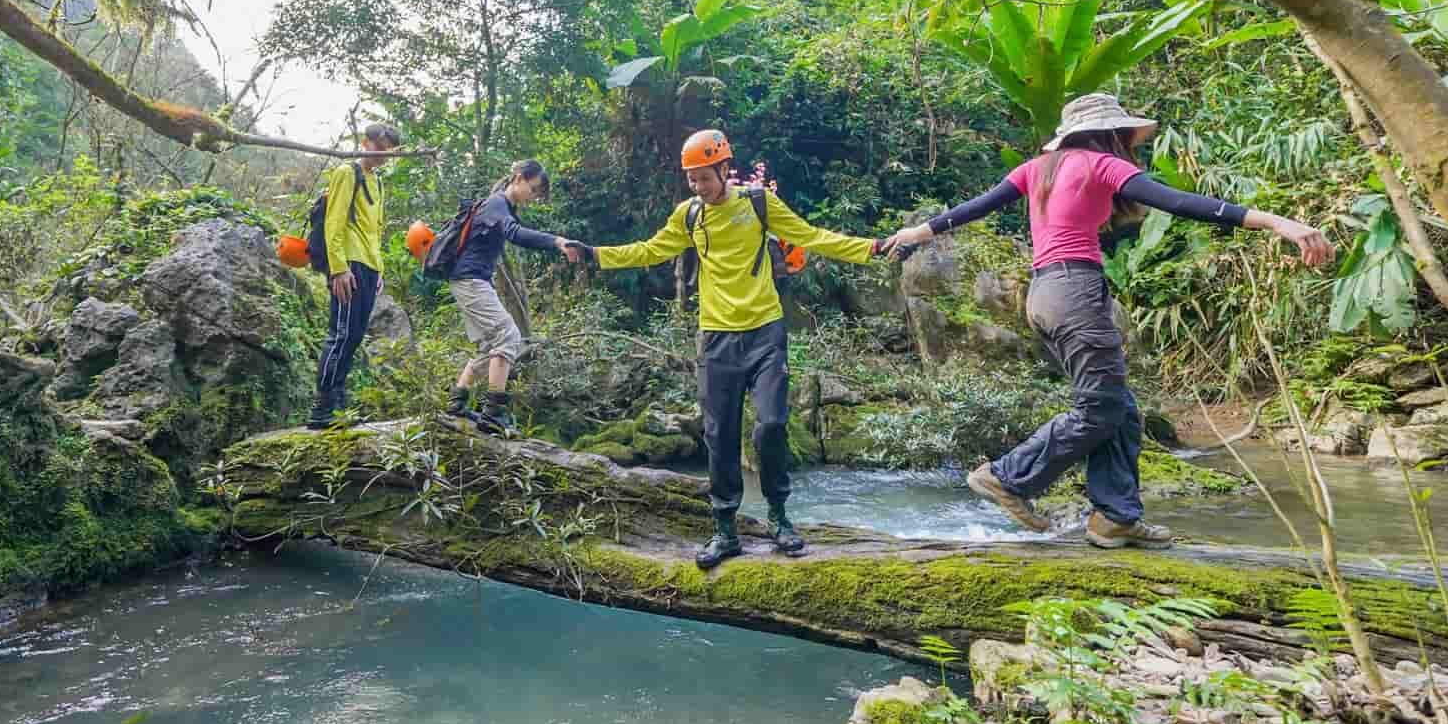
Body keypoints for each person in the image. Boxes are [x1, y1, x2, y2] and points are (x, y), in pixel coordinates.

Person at [882, 93, 1330, 549]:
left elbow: (977, 206)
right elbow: (1177, 201)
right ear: (1112, 134)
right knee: (1100, 409)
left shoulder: (1037, 168)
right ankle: (1007, 476)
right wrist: (1277, 222)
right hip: (1074, 292)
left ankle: (1114, 517)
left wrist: (919, 232)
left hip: (1044, 295)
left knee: (1121, 408)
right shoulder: (1102, 164)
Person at [566, 130, 893, 570]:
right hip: (717, 337)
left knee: (772, 425)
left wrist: (871, 248)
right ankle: (725, 530)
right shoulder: (689, 216)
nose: (698, 187)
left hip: (765, 331)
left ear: (724, 169)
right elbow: (648, 250)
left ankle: (779, 517)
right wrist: (593, 254)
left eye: (704, 178)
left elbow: (810, 236)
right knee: (719, 437)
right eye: (691, 180)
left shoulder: (757, 204)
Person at [446, 159, 577, 433]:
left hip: (471, 280)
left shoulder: (500, 207)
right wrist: (557, 241)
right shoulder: (496, 203)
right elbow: (515, 234)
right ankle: (493, 413)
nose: (533, 197)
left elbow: (514, 232)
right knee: (509, 336)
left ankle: (457, 403)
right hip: (470, 280)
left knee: (489, 347)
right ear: (518, 178)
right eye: (533, 189)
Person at [310, 122, 401, 429]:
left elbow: (376, 229)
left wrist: (379, 270)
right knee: (341, 334)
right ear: (366, 143)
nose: (384, 156)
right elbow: (333, 223)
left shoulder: (377, 181)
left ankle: (338, 405)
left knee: (355, 337)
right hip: (348, 263)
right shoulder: (347, 173)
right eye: (380, 148)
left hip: (368, 265)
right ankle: (323, 406)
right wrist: (338, 269)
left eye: (389, 152)